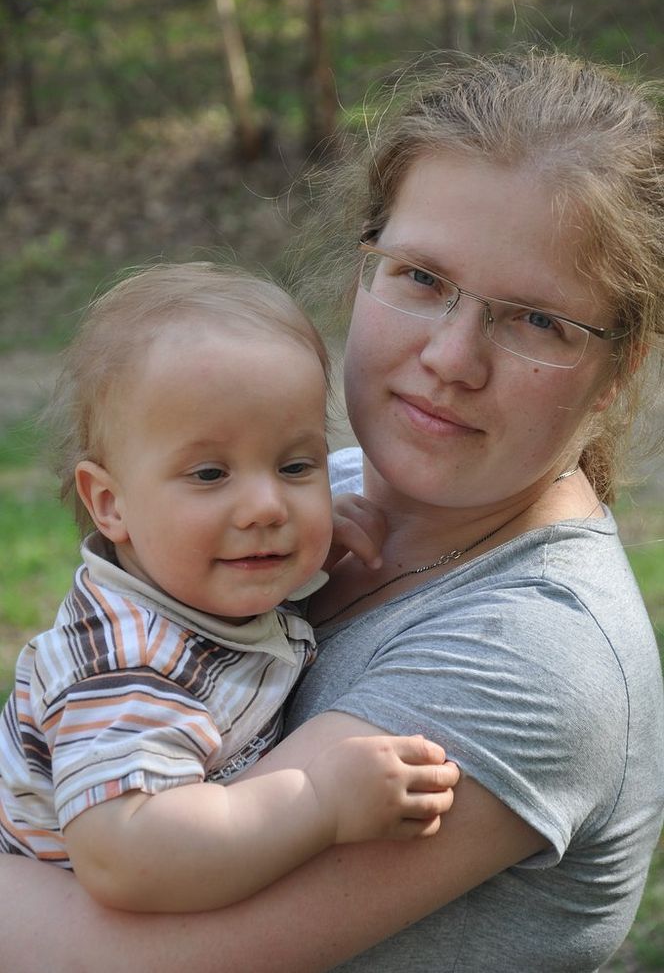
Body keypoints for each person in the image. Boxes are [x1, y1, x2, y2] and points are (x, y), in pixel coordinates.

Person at [1, 49, 663, 972]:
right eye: (421, 277)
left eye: (537, 320)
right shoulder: (311, 494)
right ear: (364, 268)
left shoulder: (537, 652)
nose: (452, 359)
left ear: (620, 368)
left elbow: (145, 957)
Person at [0, 262, 458, 914]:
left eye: (294, 466)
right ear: (110, 503)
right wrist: (318, 801)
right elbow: (126, 858)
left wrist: (310, 547)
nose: (267, 507)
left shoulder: (195, 589)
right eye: (211, 475)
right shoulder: (128, 664)